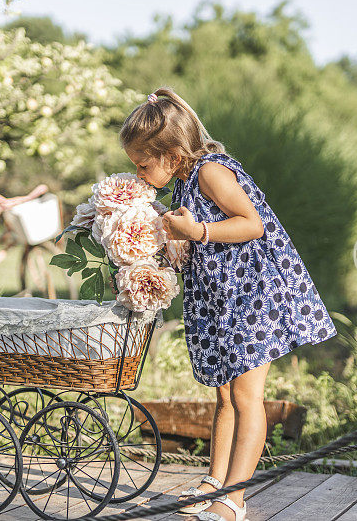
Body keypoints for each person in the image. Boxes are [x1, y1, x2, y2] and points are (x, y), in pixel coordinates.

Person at [119, 87, 338, 521]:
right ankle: (215, 481)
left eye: (144, 165)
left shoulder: (210, 173)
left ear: (172, 152)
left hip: (253, 294)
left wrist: (197, 231)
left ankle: (234, 499)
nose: (141, 175)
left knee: (246, 398)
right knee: (225, 396)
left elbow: (251, 224)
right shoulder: (184, 182)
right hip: (223, 298)